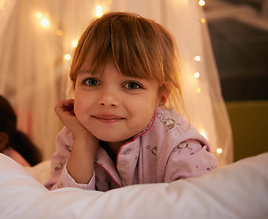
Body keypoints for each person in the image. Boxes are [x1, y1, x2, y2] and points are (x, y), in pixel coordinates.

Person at [45, 12, 218, 191]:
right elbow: (61, 204)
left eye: (132, 85)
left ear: (161, 97)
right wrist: (84, 142)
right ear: (74, 87)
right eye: (92, 82)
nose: (107, 100)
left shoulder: (179, 144)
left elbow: (202, 202)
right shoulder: (72, 135)